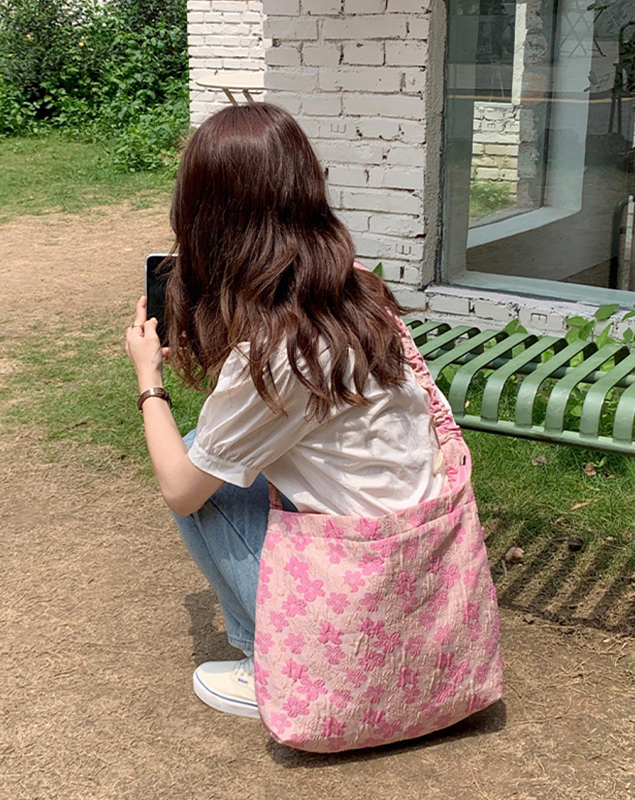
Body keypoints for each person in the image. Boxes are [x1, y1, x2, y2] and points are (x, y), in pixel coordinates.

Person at [124, 103, 462, 722]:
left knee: (196, 467)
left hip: (360, 598)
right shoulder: (354, 287)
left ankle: (272, 665)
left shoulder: (280, 351)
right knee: (217, 452)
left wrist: (150, 381)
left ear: (207, 216)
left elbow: (180, 489)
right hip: (415, 570)